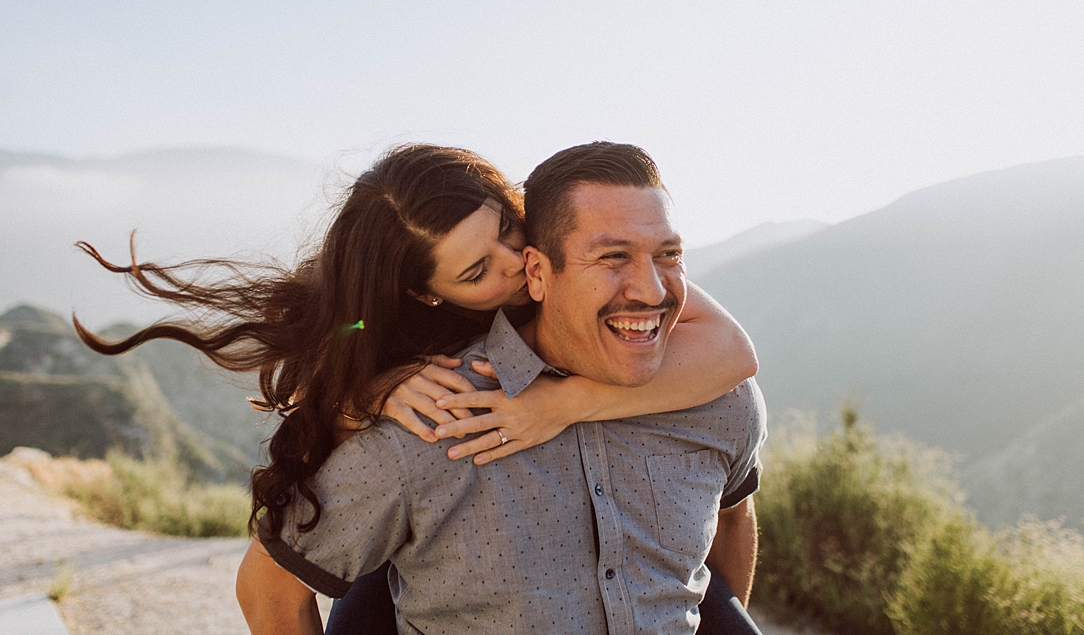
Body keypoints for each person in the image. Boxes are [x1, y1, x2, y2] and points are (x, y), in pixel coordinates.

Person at [74, 143, 759, 632]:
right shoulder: (414, 385)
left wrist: (567, 401)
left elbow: (734, 355)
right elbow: (272, 583)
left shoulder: (628, 281)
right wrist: (366, 396)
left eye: (508, 232)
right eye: (477, 270)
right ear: (426, 293)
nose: (517, 265)